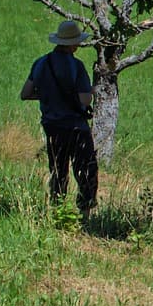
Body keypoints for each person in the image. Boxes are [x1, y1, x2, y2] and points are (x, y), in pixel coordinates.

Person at [19, 19, 97, 215]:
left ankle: (58, 208)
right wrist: (92, 91)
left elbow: (26, 93)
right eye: (77, 41)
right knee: (85, 169)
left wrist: (47, 94)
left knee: (58, 169)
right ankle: (85, 211)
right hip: (75, 126)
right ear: (71, 44)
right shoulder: (76, 66)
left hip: (51, 125)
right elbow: (85, 100)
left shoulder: (40, 63)